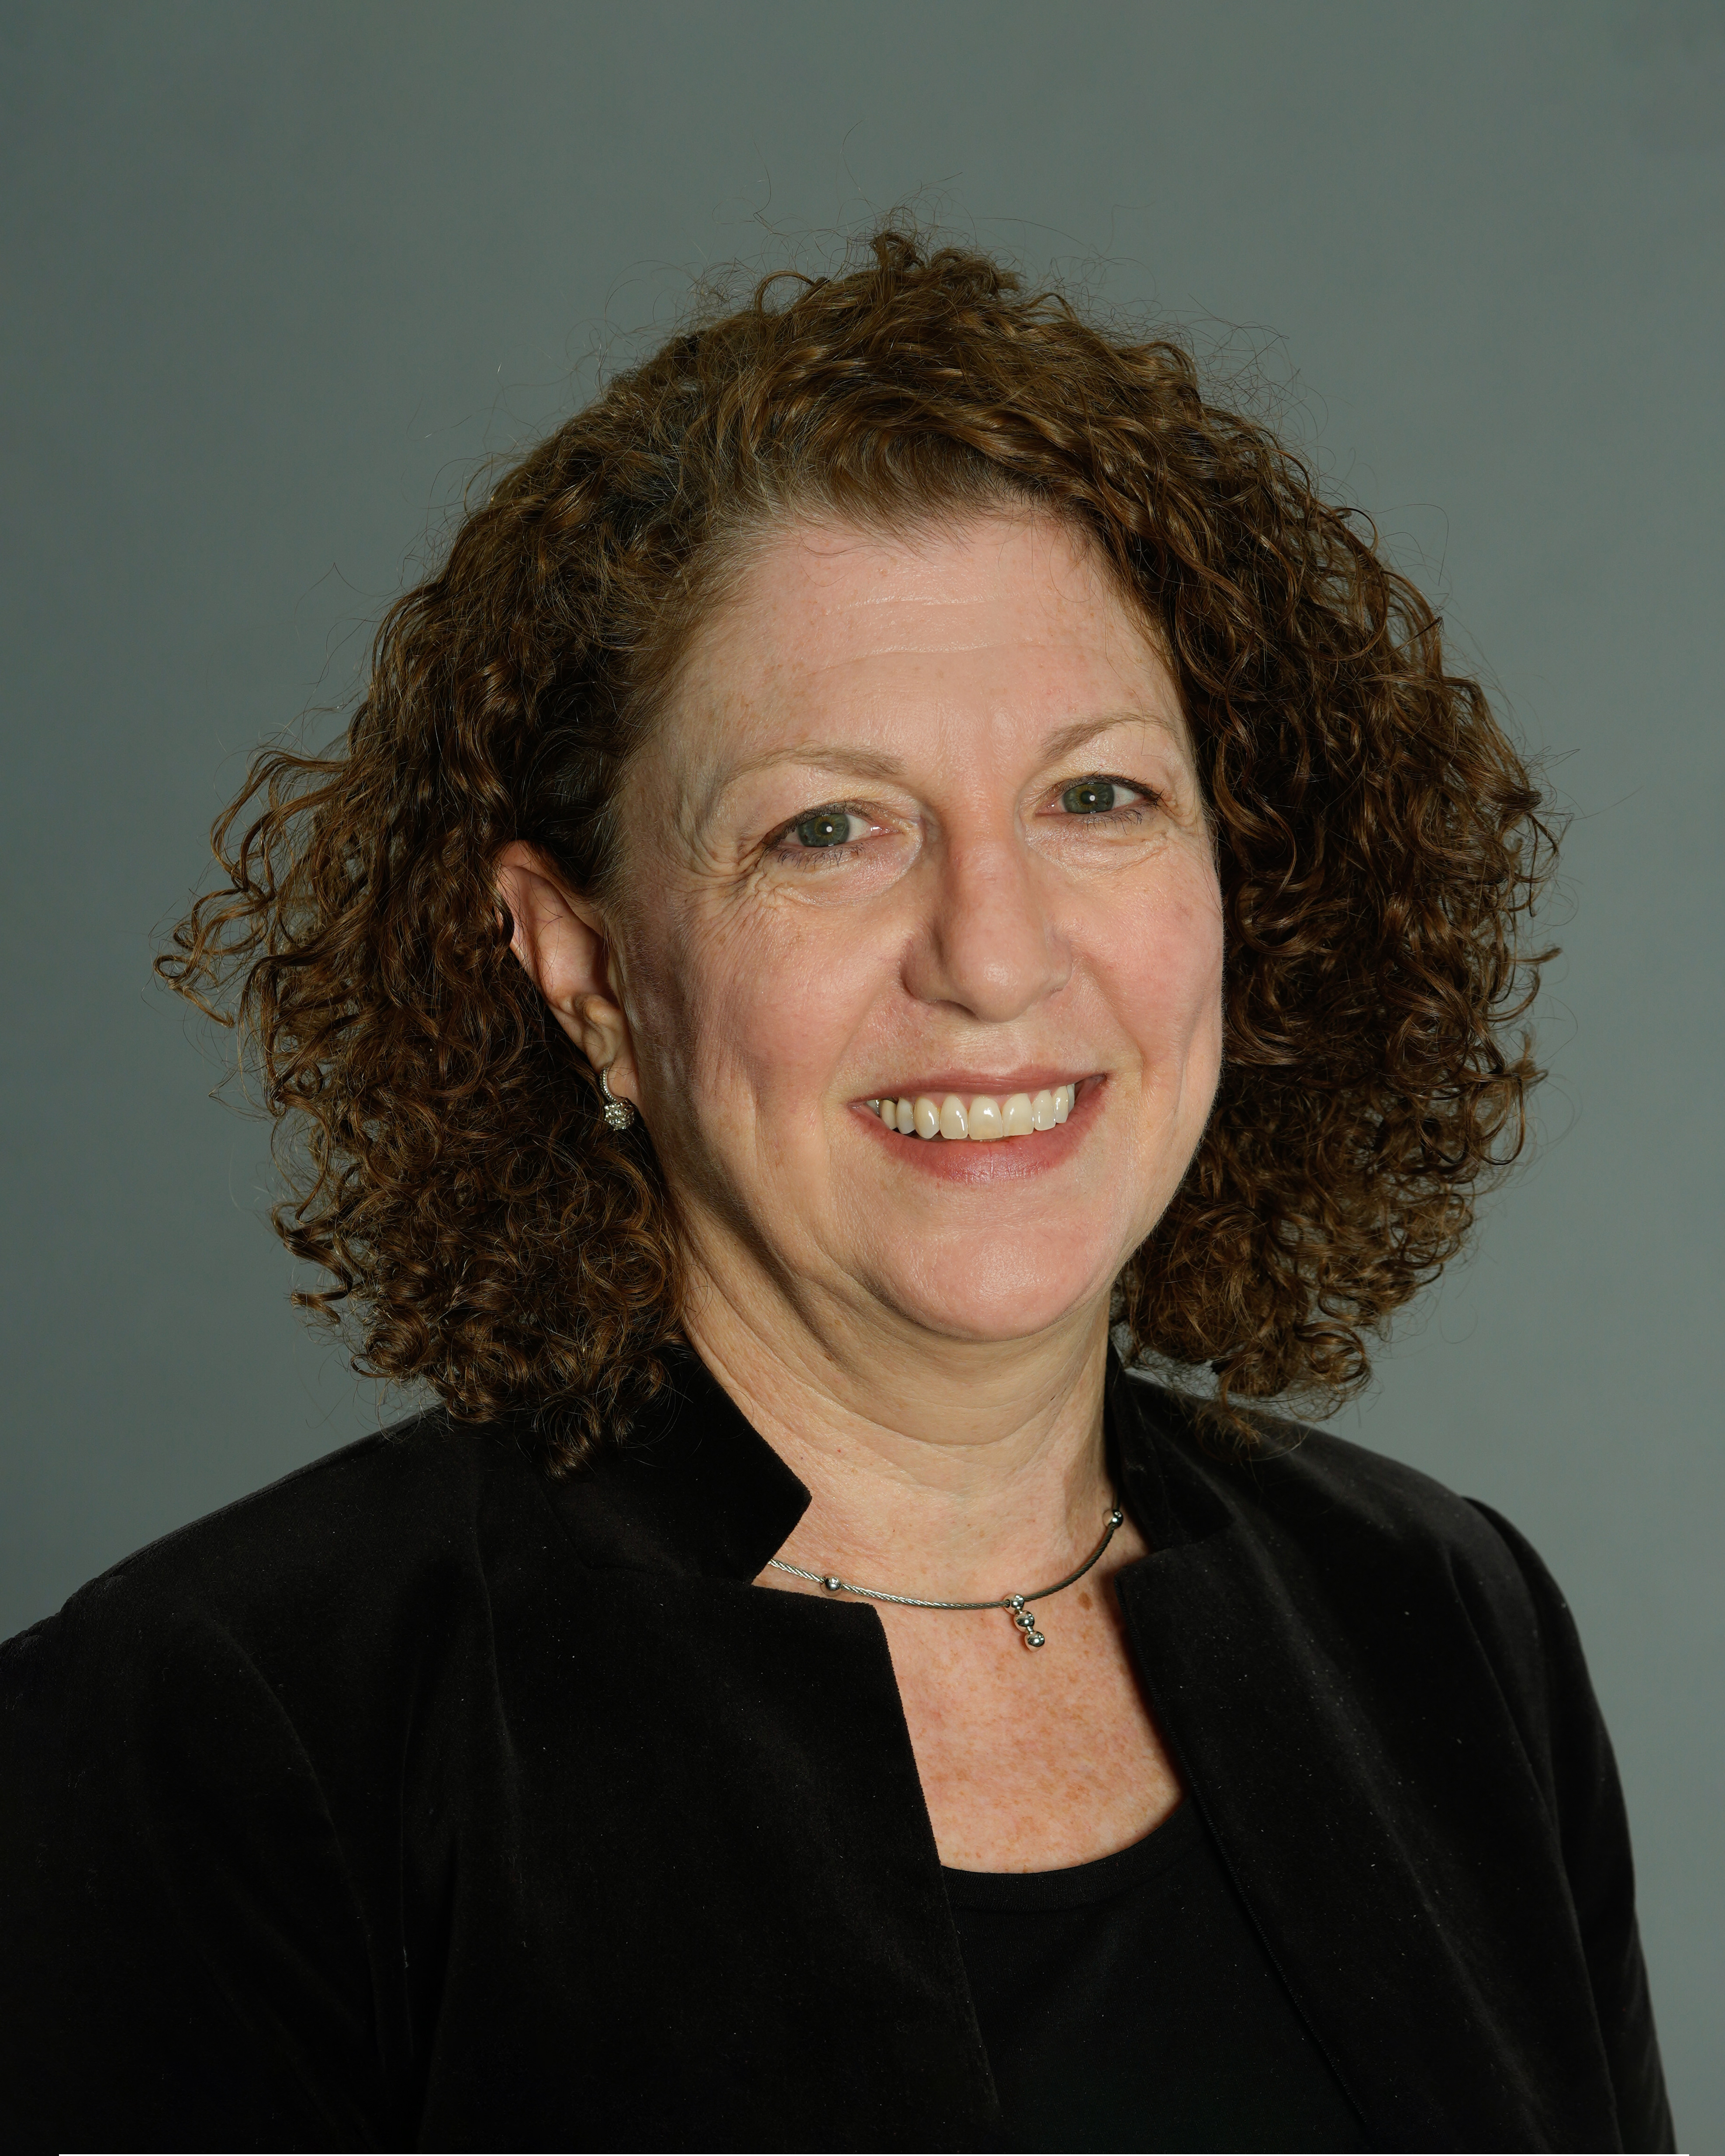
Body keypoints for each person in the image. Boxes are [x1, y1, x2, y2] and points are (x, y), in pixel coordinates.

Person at [0, 230, 1672, 2154]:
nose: (994, 954)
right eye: (829, 829)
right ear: (582, 966)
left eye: (1099, 797)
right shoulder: (222, 1732)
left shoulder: (1438, 1621)